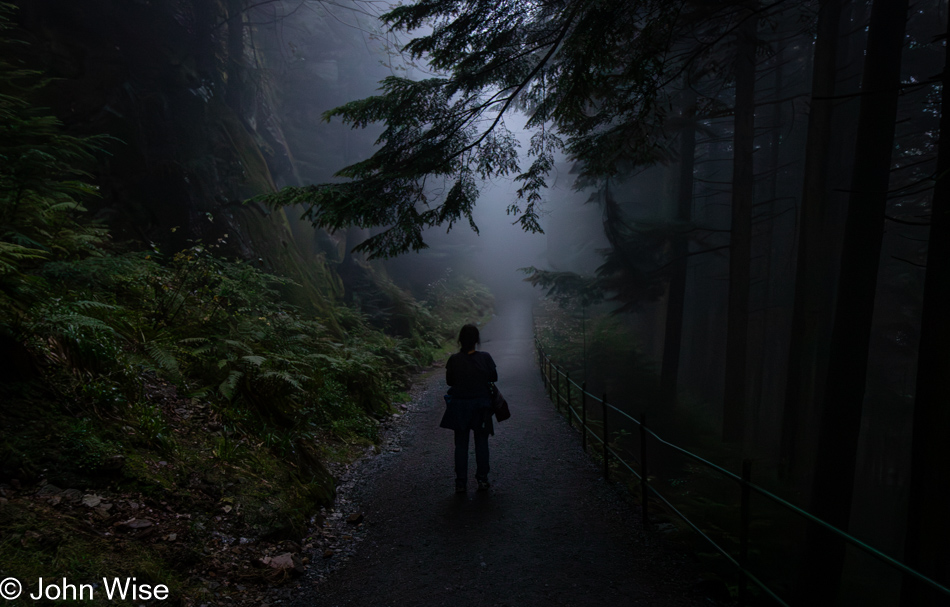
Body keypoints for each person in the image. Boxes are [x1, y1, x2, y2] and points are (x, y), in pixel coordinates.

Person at [440, 324, 497, 493]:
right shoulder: (485, 357)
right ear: (476, 340)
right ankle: (482, 479)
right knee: (481, 443)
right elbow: (494, 377)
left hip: (460, 407)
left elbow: (450, 382)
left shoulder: (454, 360)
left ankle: (460, 482)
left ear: (460, 340)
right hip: (481, 407)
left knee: (461, 445)